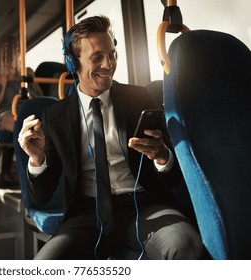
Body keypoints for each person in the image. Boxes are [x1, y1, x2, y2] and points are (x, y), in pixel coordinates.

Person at [18, 15, 204, 260]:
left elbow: (173, 179)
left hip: (143, 206)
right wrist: (36, 159)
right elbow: (41, 197)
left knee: (185, 245)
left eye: (113, 54)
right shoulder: (55, 117)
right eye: (97, 57)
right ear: (74, 64)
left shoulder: (140, 99)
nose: (109, 64)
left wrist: (162, 156)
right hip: (86, 214)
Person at [0, 36, 42, 133]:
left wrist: (33, 81)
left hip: (31, 108)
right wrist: (4, 78)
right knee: (21, 125)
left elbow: (40, 96)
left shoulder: (25, 72)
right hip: (8, 111)